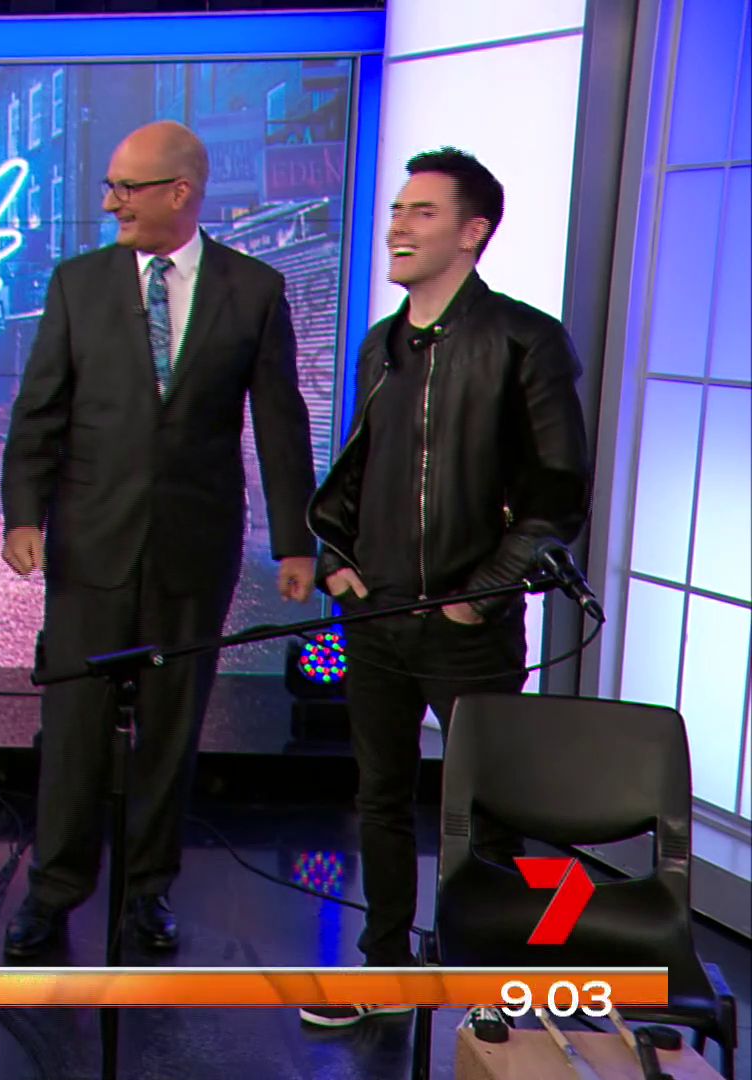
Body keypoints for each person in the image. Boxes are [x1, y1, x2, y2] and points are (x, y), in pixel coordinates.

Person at [0, 120, 317, 958]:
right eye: (109, 186)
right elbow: (39, 411)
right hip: (91, 542)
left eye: (125, 188)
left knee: (171, 730)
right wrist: (23, 514)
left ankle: (147, 892)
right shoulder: (78, 285)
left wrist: (296, 541)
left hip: (194, 547)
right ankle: (53, 891)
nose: (110, 203)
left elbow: (280, 422)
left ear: (180, 193)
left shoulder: (254, 289)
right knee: (74, 729)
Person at [300, 148, 591, 1028]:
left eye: (422, 212)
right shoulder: (380, 346)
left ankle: (486, 984)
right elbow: (356, 470)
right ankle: (383, 967)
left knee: (484, 813)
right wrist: (337, 562)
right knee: (380, 799)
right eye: (398, 210)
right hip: (377, 614)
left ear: (473, 232)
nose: (399, 225)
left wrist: (481, 595)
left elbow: (557, 495)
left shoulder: (525, 340)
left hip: (470, 625)